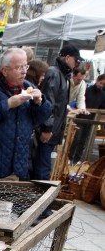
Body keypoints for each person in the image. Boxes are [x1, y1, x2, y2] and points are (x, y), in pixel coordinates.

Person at [0, 46, 51, 181]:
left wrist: (39, 103)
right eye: (19, 67)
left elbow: (41, 118)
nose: (24, 71)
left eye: (26, 66)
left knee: (7, 196)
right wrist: (8, 104)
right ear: (5, 71)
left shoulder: (27, 87)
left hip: (15, 167)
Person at [31, 42, 80, 180]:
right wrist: (46, 128)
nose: (77, 64)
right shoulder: (54, 73)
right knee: (42, 171)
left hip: (52, 131)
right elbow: (48, 103)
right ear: (67, 57)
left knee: (43, 169)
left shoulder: (61, 75)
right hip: (48, 132)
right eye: (76, 60)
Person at [69, 73, 105, 161]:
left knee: (83, 140)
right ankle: (70, 157)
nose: (101, 85)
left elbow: (102, 107)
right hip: (80, 118)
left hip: (91, 119)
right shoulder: (87, 90)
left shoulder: (102, 94)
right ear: (97, 80)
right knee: (76, 138)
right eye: (100, 83)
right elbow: (79, 101)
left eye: (103, 84)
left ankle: (77, 159)